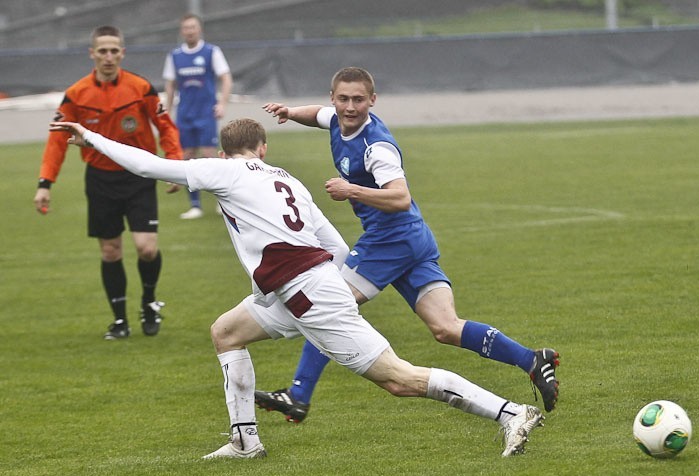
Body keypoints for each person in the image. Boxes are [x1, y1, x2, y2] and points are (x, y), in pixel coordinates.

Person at [50, 118, 546, 458]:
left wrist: (90, 138)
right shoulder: (286, 177)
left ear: (226, 152)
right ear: (263, 148)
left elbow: (147, 165)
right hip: (297, 289)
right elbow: (330, 243)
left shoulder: (222, 169)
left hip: (307, 294)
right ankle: (246, 441)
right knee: (226, 332)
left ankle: (510, 412)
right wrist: (327, 284)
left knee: (398, 379)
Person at [258, 67, 560, 423]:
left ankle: (298, 394)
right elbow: (318, 116)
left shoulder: (377, 147)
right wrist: (291, 113)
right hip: (412, 240)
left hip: (391, 241)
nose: (350, 106)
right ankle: (531, 359)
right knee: (445, 327)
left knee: (329, 305)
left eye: (358, 100)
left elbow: (400, 197)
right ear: (333, 98)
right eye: (343, 99)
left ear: (373, 100)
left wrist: (350, 189)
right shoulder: (339, 119)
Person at [34, 26, 183, 340]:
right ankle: (119, 321)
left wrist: (173, 165)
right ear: (92, 54)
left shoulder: (140, 87)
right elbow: (57, 140)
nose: (109, 56)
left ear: (122, 53)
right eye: (102, 51)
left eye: (114, 50)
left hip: (139, 175)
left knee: (146, 248)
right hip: (100, 180)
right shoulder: (76, 94)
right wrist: (45, 182)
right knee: (111, 252)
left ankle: (148, 302)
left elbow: (165, 126)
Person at [163, 13, 232, 219]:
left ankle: (223, 202)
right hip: (185, 114)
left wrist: (222, 103)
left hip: (206, 113)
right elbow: (170, 85)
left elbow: (226, 78)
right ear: (181, 31)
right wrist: (167, 111)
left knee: (211, 155)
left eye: (193, 27)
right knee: (187, 158)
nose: (190, 31)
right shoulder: (174, 56)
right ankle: (195, 206)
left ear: (199, 29)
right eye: (186, 28)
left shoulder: (211, 52)